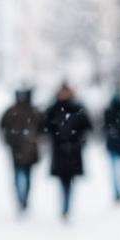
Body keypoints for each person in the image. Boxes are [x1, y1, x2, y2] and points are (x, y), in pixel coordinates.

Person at [43, 82, 92, 219]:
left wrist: (77, 141)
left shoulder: (77, 109)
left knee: (68, 182)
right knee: (62, 182)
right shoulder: (53, 109)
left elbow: (87, 127)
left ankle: (66, 208)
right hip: (59, 152)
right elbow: (46, 127)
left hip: (73, 153)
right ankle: (64, 208)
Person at [0, 87, 45, 212]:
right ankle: (22, 200)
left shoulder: (15, 111)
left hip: (22, 150)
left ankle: (22, 200)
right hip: (21, 149)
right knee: (24, 175)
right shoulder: (32, 111)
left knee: (21, 175)